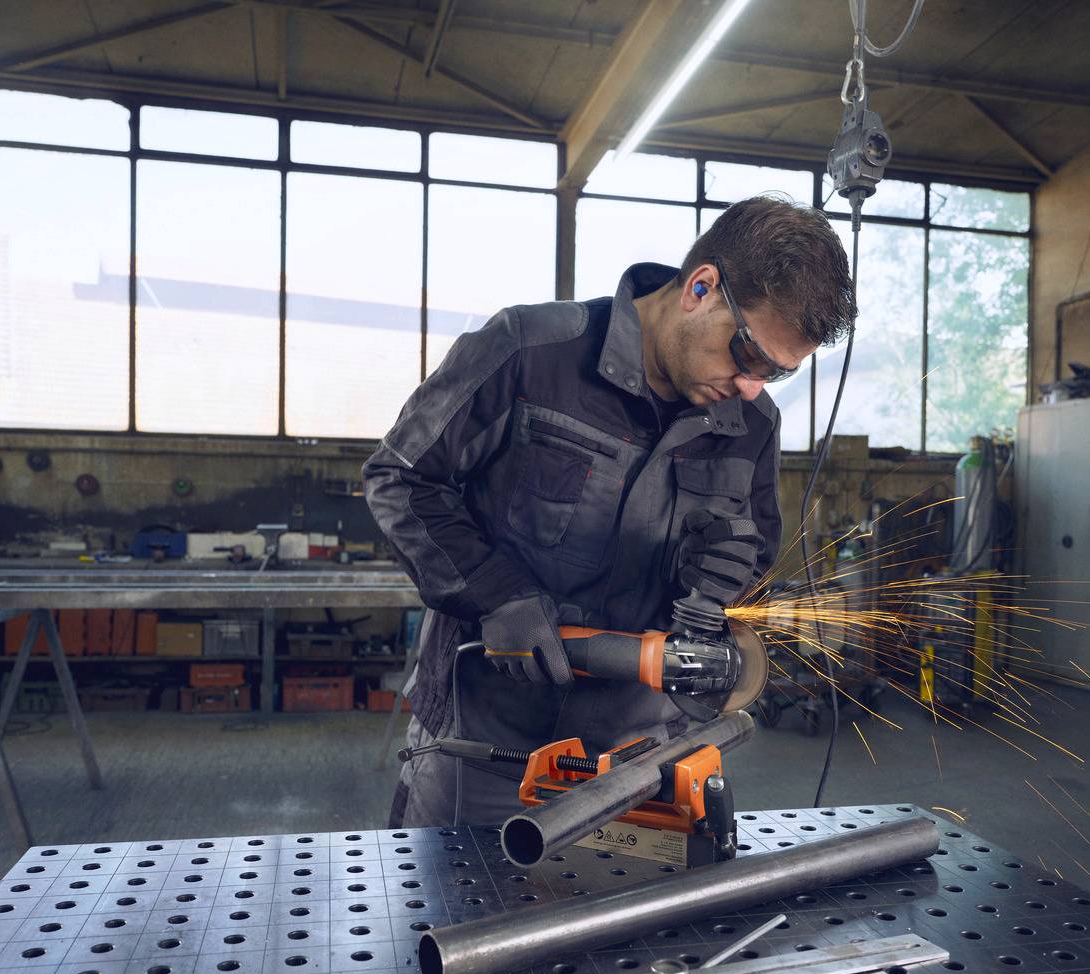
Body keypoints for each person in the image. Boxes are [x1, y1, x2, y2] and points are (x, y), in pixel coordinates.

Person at [363, 195, 856, 827]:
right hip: (485, 746)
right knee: (451, 918)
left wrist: (720, 572)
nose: (753, 387)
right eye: (750, 356)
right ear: (701, 288)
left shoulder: (751, 423)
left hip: (644, 754)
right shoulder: (530, 353)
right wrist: (495, 594)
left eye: (777, 374)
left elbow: (751, 565)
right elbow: (401, 479)